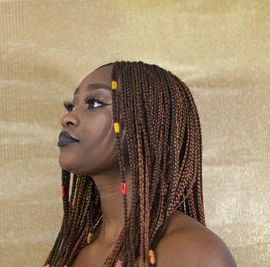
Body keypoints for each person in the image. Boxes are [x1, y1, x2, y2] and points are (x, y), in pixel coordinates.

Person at [44, 61, 236, 267]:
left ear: (147, 123)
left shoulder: (195, 253)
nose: (67, 118)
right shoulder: (73, 252)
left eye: (95, 103)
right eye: (71, 106)